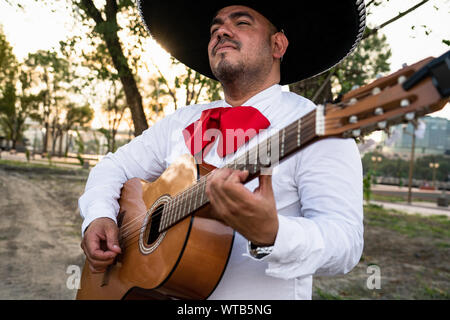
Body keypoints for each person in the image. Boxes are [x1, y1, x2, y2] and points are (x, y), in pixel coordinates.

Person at [79, 1, 366, 299]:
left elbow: (346, 243)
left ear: (277, 45)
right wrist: (100, 215)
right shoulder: (181, 121)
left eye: (241, 23)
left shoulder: (319, 129)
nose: (221, 32)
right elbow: (112, 167)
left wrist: (275, 234)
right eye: (215, 28)